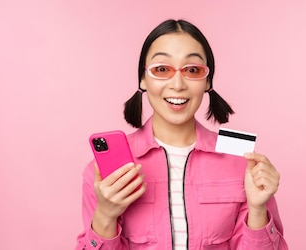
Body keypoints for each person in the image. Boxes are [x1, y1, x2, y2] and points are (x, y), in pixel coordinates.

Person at [75, 19, 288, 249]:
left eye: (192, 70)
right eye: (162, 69)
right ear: (143, 79)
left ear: (207, 81)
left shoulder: (242, 157)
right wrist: (105, 215)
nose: (177, 84)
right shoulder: (103, 173)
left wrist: (257, 211)